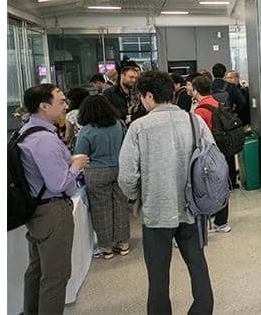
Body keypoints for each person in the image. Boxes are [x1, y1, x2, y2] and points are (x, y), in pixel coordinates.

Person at [118, 71, 215, 314]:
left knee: (158, 277)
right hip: (191, 208)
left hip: (156, 211)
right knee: (198, 266)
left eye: (142, 97)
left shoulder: (139, 127)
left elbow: (127, 176)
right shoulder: (195, 121)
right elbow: (213, 162)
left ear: (149, 96)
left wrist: (136, 197)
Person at [18, 84, 90, 315]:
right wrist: (76, 167)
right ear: (44, 106)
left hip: (38, 211)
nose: (66, 106)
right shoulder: (45, 141)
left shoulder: (26, 132)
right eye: (61, 102)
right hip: (52, 212)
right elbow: (58, 184)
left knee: (37, 270)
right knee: (55, 276)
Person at [74, 95, 129, 260]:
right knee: (121, 206)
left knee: (101, 209)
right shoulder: (119, 124)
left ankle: (107, 248)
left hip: (97, 172)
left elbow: (80, 156)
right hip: (120, 169)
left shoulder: (86, 130)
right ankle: (124, 243)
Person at [191, 75, 233, 234]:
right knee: (222, 184)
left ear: (196, 90)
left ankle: (206, 221)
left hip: (208, 155)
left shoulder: (201, 110)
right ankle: (222, 221)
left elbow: (198, 135)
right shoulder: (217, 104)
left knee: (206, 187)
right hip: (222, 151)